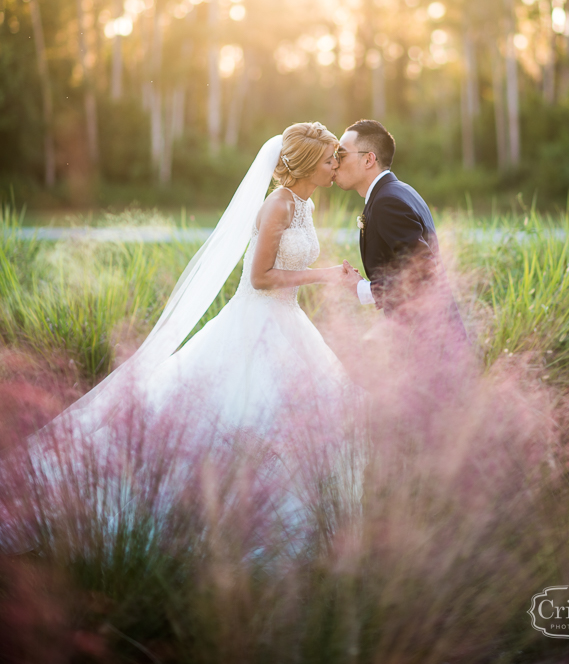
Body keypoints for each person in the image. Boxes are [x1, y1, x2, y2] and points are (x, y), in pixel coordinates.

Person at [2, 123, 363, 552]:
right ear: (305, 165)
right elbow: (260, 277)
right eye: (327, 160)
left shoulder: (304, 204)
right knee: (241, 413)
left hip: (288, 319)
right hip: (257, 320)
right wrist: (325, 275)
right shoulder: (278, 207)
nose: (334, 166)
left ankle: (294, 513)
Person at [335, 120, 465, 335]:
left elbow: (423, 276)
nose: (336, 162)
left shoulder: (387, 202)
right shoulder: (398, 192)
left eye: (341, 155)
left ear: (368, 159)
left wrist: (362, 289)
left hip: (429, 338)